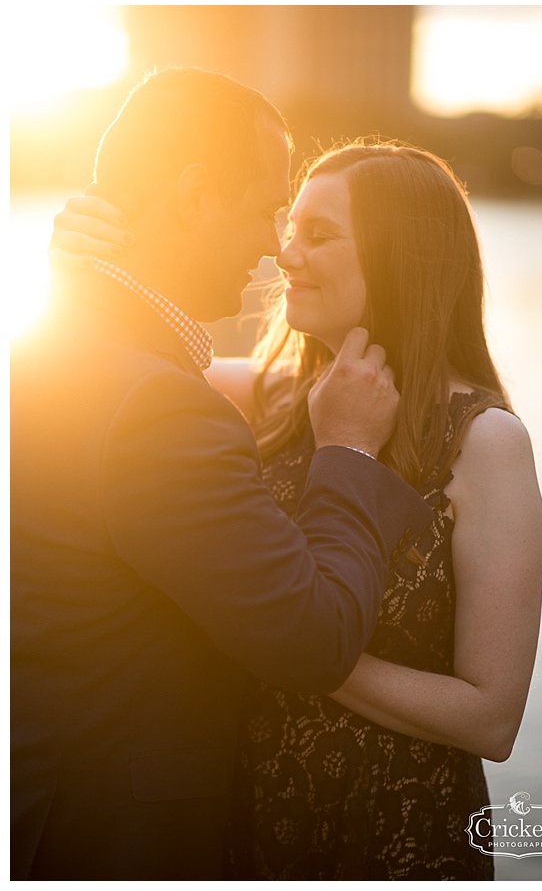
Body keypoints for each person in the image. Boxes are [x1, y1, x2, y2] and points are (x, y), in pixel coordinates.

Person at [59, 141, 542, 879]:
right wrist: (76, 275)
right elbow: (87, 365)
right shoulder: (274, 395)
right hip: (238, 817)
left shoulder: (486, 443)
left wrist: (281, 634)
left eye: (318, 236)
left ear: (404, 257)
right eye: (290, 229)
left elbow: (492, 717)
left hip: (388, 829)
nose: (285, 254)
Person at [11, 69, 434, 880]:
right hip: (108, 841)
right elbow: (311, 641)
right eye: (269, 208)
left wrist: (70, 280)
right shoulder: (156, 405)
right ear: (197, 195)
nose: (277, 246)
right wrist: (346, 451)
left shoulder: (49, 345)